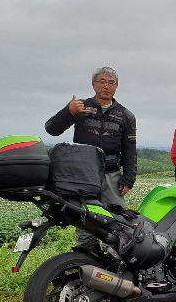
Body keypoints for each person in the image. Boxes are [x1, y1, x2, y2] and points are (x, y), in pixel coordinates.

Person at [44, 66, 138, 250]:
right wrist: (69, 111)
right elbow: (51, 129)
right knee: (85, 220)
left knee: (117, 221)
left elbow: (130, 148)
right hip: (83, 175)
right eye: (102, 81)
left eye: (112, 83)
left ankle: (117, 260)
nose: (107, 86)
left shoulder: (126, 115)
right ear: (93, 84)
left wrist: (128, 178)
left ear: (116, 86)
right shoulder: (80, 107)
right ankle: (87, 259)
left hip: (111, 174)